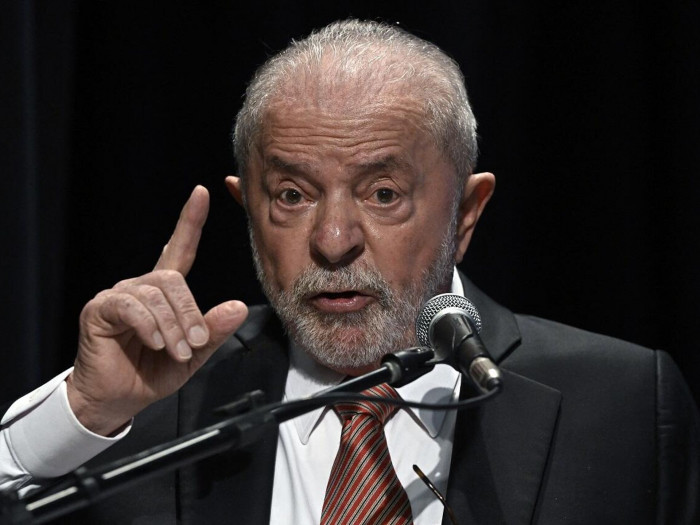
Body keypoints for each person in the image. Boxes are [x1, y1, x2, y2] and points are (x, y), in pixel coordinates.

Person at [1, 19, 698, 524]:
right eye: (292, 195)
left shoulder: (625, 404)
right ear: (249, 212)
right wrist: (83, 410)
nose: (333, 241)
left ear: (465, 213)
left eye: (383, 193)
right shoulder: (150, 408)